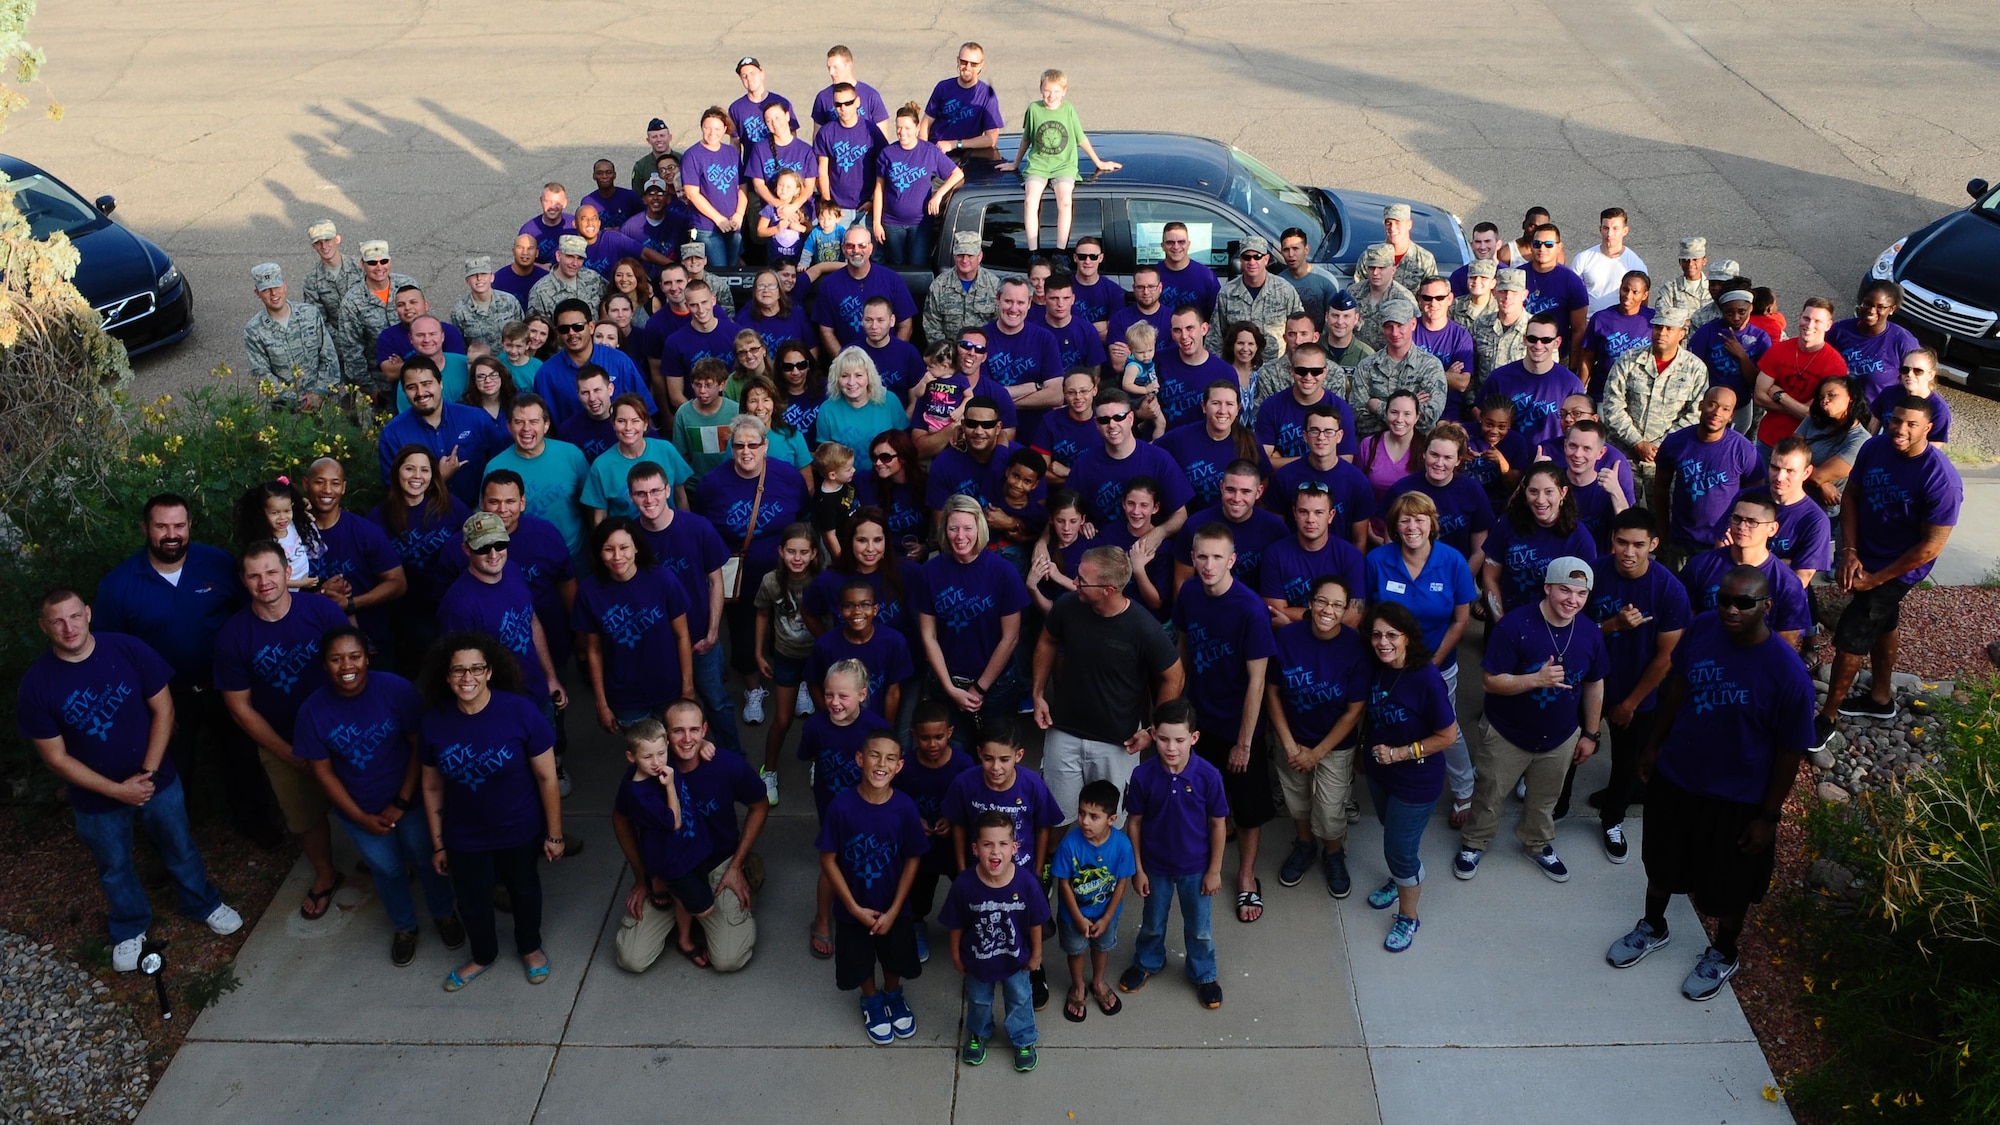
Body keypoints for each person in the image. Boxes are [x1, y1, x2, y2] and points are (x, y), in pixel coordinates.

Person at [1605, 566, 1816, 1001]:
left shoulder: (1787, 673)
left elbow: (1789, 752)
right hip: (1679, 779)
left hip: (1736, 799)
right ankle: (1653, 926)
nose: (1731, 610)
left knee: (1730, 885)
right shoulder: (1703, 627)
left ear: (1766, 606)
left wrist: (1768, 817)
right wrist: (1654, 745)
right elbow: (1678, 686)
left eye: (1744, 603)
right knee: (1662, 863)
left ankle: (1723, 952)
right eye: (1725, 599)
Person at [17, 591, 244, 971]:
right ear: (44, 626)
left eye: (74, 616)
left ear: (88, 614)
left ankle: (203, 903)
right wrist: (117, 790)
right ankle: (128, 926)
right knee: (114, 865)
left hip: (156, 779)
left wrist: (148, 773)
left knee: (179, 843)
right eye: (57, 621)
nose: (68, 627)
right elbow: (55, 758)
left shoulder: (127, 649)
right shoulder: (37, 685)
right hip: (96, 799)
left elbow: (164, 708)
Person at [93, 495, 273, 845]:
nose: (171, 534)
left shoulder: (219, 563)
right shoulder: (119, 585)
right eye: (161, 526)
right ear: (145, 528)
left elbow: (250, 615)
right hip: (165, 698)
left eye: (179, 525)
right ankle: (170, 847)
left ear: (190, 526)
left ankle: (254, 823)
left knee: (242, 759)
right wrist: (145, 705)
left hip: (226, 685)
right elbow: (112, 658)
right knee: (171, 772)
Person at [294, 628, 461, 965]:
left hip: (410, 801)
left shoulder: (396, 689)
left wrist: (400, 801)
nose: (346, 666)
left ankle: (444, 914)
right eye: (336, 659)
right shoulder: (312, 711)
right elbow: (322, 772)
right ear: (324, 665)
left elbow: (419, 747)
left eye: (354, 656)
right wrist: (358, 817)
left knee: (427, 859)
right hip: (360, 809)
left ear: (367, 657)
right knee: (387, 870)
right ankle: (405, 926)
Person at [213, 541, 352, 919]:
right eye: (254, 575)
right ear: (243, 581)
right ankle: (325, 875)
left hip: (342, 728)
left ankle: (381, 858)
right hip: (282, 739)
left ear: (288, 573)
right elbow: (239, 708)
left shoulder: (321, 610)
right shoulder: (233, 636)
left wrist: (352, 724)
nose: (264, 582)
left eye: (271, 572)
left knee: (365, 794)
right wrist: (288, 751)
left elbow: (354, 667)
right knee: (303, 814)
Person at [417, 633, 564, 992]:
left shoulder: (521, 712)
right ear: (447, 676)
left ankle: (529, 947)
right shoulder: (434, 722)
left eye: (475, 669)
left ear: (489, 672)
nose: (467, 678)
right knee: (471, 898)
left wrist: (555, 833)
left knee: (524, 890)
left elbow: (547, 778)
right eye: (458, 671)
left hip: (519, 827)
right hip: (464, 833)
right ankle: (482, 954)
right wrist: (438, 844)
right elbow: (432, 786)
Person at [1814, 396, 1961, 740]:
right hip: (1866, 551)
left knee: (1853, 631)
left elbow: (1930, 546)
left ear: (1928, 429)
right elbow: (1850, 496)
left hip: (1902, 564)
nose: (1901, 429)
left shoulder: (1941, 479)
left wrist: (1876, 579)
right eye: (1896, 420)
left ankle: (1827, 718)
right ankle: (1880, 697)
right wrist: (1849, 551)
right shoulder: (1874, 448)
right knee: (1885, 619)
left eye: (1912, 424)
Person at [1457, 557, 1608, 884]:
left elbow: (1595, 683)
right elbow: (1490, 681)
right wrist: (1535, 680)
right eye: (1564, 590)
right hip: (1507, 733)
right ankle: (1474, 842)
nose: (1572, 600)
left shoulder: (1589, 632)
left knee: (1545, 798)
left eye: (1581, 594)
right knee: (1490, 793)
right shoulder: (1515, 626)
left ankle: (1537, 844)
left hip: (1561, 735)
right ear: (1547, 588)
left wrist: (1591, 733)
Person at [1173, 524, 1278, 922]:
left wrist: (1245, 743)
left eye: (1218, 557)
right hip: (1200, 717)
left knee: (1248, 807)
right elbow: (1183, 645)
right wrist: (1180, 708)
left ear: (1232, 560)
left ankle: (1247, 874)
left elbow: (1257, 682)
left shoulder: (1249, 608)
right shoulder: (1189, 593)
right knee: (1204, 797)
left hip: (1238, 724)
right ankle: (1215, 845)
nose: (1209, 564)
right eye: (1202, 556)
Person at [1365, 492, 1478, 825]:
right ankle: (1390, 778)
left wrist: (1430, 662)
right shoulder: (1377, 561)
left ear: (1432, 523)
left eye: (1419, 519)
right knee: (1390, 718)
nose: (1412, 526)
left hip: (1437, 665)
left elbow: (1461, 619)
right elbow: (1369, 613)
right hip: (1387, 666)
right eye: (1404, 520)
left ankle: (1463, 788)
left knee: (1446, 728)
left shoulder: (1453, 561)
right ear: (1394, 527)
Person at [1584, 508, 1691, 859]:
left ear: (1654, 545)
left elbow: (1667, 656)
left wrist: (1630, 703)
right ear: (1611, 540)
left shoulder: (1669, 590)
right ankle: (1555, 804)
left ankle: (1612, 820)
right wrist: (1613, 625)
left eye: (1638, 544)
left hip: (1637, 690)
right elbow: (1572, 633)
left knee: (1627, 763)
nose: (1629, 552)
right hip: (1588, 683)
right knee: (1571, 749)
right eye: (1622, 542)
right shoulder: (1592, 574)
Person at [696, 415, 813, 727]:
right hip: (741, 578)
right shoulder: (712, 485)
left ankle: (799, 682)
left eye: (753, 444)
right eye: (739, 445)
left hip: (788, 575)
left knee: (795, 629)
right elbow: (705, 531)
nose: (746, 451)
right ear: (730, 448)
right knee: (744, 634)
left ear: (766, 446)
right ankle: (753, 689)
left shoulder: (788, 476)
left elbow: (802, 515)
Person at [1357, 602, 1460, 952]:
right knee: (1394, 836)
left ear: (1407, 638)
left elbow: (1448, 736)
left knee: (1400, 850)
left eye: (1391, 635)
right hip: (1379, 772)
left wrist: (1399, 753)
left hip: (1415, 781)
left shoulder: (1425, 679)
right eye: (1376, 635)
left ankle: (1408, 917)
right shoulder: (1378, 667)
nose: (1382, 642)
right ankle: (1399, 878)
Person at [816, 732, 928, 1045]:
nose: (881, 763)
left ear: (899, 766)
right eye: (875, 755)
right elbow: (828, 858)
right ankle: (871, 1000)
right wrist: (852, 907)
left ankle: (893, 994)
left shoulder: (904, 808)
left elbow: (913, 859)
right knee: (859, 958)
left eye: (890, 758)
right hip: (854, 908)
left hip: (894, 907)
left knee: (895, 956)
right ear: (860, 759)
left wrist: (894, 910)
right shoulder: (841, 807)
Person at [1117, 699, 1228, 1010]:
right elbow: (1135, 823)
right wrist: (1137, 869)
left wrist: (1215, 870)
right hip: (1155, 867)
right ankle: (1148, 961)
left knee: (1200, 927)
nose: (1171, 747)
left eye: (1180, 740)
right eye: (1164, 738)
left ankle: (1204, 973)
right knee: (1152, 922)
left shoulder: (1209, 776)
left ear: (1193, 737)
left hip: (1196, 867)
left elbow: (1218, 824)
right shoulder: (1143, 776)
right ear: (1152, 734)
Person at [1266, 574, 1369, 897]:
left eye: (1338, 605)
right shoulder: (1288, 638)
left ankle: (1334, 853)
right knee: (1297, 800)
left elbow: (1354, 710)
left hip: (1334, 746)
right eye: (1322, 601)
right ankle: (1305, 846)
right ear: (1310, 603)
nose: (1328, 610)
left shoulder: (1356, 647)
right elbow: (1272, 692)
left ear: (1346, 611)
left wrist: (1317, 752)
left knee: (1329, 808)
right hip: (1292, 739)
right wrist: (1287, 744)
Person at [915, 496, 1030, 749]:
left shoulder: (1003, 571)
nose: (960, 536)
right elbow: (928, 636)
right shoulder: (930, 572)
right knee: (956, 761)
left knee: (996, 760)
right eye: (953, 528)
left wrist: (979, 688)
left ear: (980, 528)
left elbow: (1010, 638)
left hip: (996, 687)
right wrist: (949, 688)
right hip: (946, 685)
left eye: (968, 528)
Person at [942, 811, 1051, 1071]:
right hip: (978, 961)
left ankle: (1024, 1038)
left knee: (1020, 998)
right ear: (975, 848)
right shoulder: (964, 885)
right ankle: (979, 1032)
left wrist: (1036, 954)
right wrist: (956, 954)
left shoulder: (1026, 883)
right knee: (979, 1000)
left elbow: (1036, 921)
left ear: (1014, 848)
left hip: (1016, 959)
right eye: (987, 844)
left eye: (1003, 844)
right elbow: (955, 922)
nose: (995, 852)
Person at [607, 717, 716, 970]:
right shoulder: (639, 792)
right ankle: (664, 887)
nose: (656, 762)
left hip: (691, 851)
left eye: (661, 753)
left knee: (683, 900)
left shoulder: (662, 759)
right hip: (672, 862)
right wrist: (669, 786)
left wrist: (703, 744)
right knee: (705, 910)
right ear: (631, 757)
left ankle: (685, 940)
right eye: (647, 757)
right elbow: (673, 822)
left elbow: (684, 741)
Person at [574, 518, 694, 732]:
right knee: (646, 758)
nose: (617, 556)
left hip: (668, 688)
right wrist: (601, 703)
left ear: (636, 547)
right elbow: (594, 650)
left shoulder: (663, 579)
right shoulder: (588, 591)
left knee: (676, 753)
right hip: (625, 695)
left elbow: (682, 636)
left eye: (624, 547)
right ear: (599, 553)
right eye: (608, 549)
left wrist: (687, 687)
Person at [1602, 307, 1708, 506]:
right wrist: (1637, 443)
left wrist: (1661, 446)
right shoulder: (1629, 359)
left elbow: (1695, 414)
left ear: (1681, 333)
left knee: (1663, 515)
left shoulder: (1696, 369)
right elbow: (1611, 404)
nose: (1662, 333)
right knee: (1620, 511)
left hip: (1667, 458)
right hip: (1626, 455)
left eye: (1669, 328)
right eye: (1658, 327)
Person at [1049, 779, 1135, 1024]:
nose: (1085, 821)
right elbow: (1063, 883)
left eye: (1094, 816)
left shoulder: (1122, 845)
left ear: (1112, 819)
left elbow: (1121, 882)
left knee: (1102, 947)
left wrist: (1107, 918)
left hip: (1106, 914)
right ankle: (1077, 987)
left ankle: (1098, 982)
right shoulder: (1069, 845)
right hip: (1073, 915)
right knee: (1075, 950)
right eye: (1082, 813)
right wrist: (1077, 917)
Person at [1653, 387, 1760, 566]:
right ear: (1701, 405)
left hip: (1721, 544)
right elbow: (1660, 487)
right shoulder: (1676, 442)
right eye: (1712, 404)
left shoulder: (1743, 449)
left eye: (1725, 409)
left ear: (1732, 415)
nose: (1717, 412)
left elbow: (1754, 498)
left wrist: (1734, 534)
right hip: (1680, 540)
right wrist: (1664, 532)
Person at [1481, 462, 1598, 616]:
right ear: (1525, 492)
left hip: (1554, 625)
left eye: (1549, 492)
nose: (1540, 500)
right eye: (1533, 491)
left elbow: (1586, 590)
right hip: (1507, 618)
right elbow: (1490, 576)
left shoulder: (1579, 536)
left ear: (1563, 492)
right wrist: (1501, 622)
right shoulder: (1506, 524)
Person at [487, 394, 591, 559]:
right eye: (519, 422)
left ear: (546, 425)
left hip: (576, 555)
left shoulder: (571, 455)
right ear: (509, 426)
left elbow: (591, 504)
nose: (526, 428)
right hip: (524, 558)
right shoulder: (495, 467)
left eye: (534, 421)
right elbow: (490, 517)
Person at [1383, 422, 1494, 573]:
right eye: (1434, 455)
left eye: (1448, 457)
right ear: (1424, 453)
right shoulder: (1401, 490)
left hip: (1456, 575)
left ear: (1458, 460)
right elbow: (1390, 544)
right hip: (1407, 575)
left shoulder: (1472, 490)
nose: (1439, 463)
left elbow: (1479, 550)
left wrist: (1461, 584)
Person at [1260, 483, 1367, 628]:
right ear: (1295, 514)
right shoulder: (1274, 554)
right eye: (1304, 512)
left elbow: (1353, 617)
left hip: (1336, 642)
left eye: (1318, 513)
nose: (1310, 519)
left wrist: (1294, 620)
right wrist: (1327, 617)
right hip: (1290, 641)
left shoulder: (1350, 555)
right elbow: (1275, 611)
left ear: (1331, 516)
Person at [1267, 405, 1373, 549]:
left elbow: (1359, 541)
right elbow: (1275, 533)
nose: (1321, 437)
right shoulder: (1284, 477)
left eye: (1329, 431)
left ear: (1340, 436)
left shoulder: (1357, 482)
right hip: (1293, 562)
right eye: (1314, 431)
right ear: (1305, 436)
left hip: (1339, 564)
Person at [871, 103, 963, 266]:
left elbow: (957, 174)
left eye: (907, 128)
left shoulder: (929, 151)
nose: (902, 132)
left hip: (920, 223)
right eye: (898, 128)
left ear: (917, 128)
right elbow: (879, 189)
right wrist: (877, 223)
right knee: (896, 264)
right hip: (891, 222)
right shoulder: (887, 153)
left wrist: (939, 194)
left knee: (918, 264)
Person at [1753, 298, 1848, 451]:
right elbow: (1759, 397)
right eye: (1806, 318)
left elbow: (1815, 415)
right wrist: (1799, 409)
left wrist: (1781, 397)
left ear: (1828, 325)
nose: (1809, 325)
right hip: (1768, 439)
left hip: (1805, 445)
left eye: (1817, 321)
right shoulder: (1778, 350)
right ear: (1800, 318)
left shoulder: (1835, 365)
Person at [1157, 381, 1267, 511]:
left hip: (1237, 517)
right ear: (1204, 406)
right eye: (1215, 403)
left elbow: (1263, 480)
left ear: (1238, 409)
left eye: (1229, 404)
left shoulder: (1250, 441)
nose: (1222, 411)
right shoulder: (1180, 438)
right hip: (1193, 522)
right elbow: (1150, 453)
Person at [1482, 313, 1584, 448]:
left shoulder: (1571, 384)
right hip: (1505, 459)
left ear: (1557, 342)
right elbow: (1480, 416)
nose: (1538, 345)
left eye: (1546, 340)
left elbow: (1580, 429)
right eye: (1532, 339)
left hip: (1551, 461)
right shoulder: (1499, 378)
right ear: (1524, 339)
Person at [242, 263, 340, 404]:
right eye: (266, 290)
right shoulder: (254, 331)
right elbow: (261, 375)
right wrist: (297, 401)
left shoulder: (310, 314)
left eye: (276, 287)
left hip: (324, 403)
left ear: (284, 286)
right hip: (287, 412)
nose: (273, 294)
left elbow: (329, 357)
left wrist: (318, 392)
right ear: (257, 293)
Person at [1350, 300, 1447, 435]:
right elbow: (1360, 419)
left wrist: (1378, 407)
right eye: (1389, 326)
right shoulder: (1367, 366)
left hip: (1417, 448)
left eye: (1400, 325)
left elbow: (1428, 417)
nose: (1395, 333)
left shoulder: (1430, 366)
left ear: (1413, 324)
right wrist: (1411, 407)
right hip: (1375, 447)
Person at [812, 227, 916, 351]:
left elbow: (906, 325)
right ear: (843, 249)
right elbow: (826, 331)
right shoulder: (829, 285)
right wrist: (843, 362)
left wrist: (892, 358)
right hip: (849, 364)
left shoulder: (892, 279)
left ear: (871, 248)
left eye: (862, 245)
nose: (856, 250)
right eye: (850, 246)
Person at [334, 240, 418, 390]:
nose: (379, 267)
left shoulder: (408, 285)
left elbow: (423, 324)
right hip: (380, 381)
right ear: (362, 264)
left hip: (417, 371)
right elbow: (351, 349)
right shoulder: (352, 302)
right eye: (372, 262)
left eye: (383, 261)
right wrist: (369, 387)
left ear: (389, 262)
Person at [1256, 343, 1358, 468]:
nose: (1308, 377)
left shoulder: (1340, 408)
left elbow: (1345, 462)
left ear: (1325, 372)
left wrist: (1282, 461)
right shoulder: (1271, 406)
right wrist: (1321, 460)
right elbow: (1263, 462)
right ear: (1292, 371)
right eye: (1301, 371)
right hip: (1285, 482)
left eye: (1316, 371)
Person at [1828, 281, 1921, 400]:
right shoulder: (1839, 331)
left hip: (1876, 414)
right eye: (1867, 303)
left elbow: (1918, 383)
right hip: (1837, 409)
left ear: (1892, 309)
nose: (1872, 311)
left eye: (1880, 307)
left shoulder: (1903, 341)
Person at [679, 107, 748, 267]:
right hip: (707, 226)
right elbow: (692, 194)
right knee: (719, 269)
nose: (712, 133)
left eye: (717, 128)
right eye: (707, 128)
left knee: (732, 267)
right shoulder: (693, 155)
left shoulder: (731, 153)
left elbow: (743, 186)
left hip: (733, 223)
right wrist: (719, 219)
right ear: (701, 127)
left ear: (724, 129)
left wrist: (739, 214)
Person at [1519, 223, 1591, 358]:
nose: (1542, 248)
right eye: (1537, 244)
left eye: (1549, 244)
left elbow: (1579, 329)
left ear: (1559, 247)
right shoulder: (1518, 275)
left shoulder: (1572, 281)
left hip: (1556, 356)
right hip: (1519, 353)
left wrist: (1573, 366)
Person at [1579, 271, 1656, 398]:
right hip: (1604, 393)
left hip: (1640, 396)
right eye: (1625, 289)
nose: (1628, 295)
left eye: (1635, 292)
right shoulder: (1600, 319)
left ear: (1644, 295)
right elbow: (1587, 359)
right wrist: (1580, 391)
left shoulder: (1653, 319)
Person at [814, 81, 884, 216]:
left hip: (866, 206)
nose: (843, 108)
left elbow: (882, 168)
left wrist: (872, 200)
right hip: (837, 207)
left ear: (857, 102)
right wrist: (828, 202)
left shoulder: (872, 131)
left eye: (848, 103)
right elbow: (822, 171)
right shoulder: (826, 133)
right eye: (838, 105)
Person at [1412, 275, 1475, 420]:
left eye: (1439, 298)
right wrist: (1445, 374)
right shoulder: (1409, 330)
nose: (1433, 303)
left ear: (1450, 299)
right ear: (1419, 300)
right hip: (1413, 413)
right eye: (1427, 298)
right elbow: (1399, 375)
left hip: (1448, 415)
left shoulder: (1460, 336)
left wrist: (1419, 373)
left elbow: (1462, 383)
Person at [923, 42, 1004, 152]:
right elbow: (925, 124)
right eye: (964, 62)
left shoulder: (986, 95)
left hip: (966, 156)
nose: (967, 67)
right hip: (936, 151)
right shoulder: (943, 87)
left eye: (973, 64)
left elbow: (991, 139)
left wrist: (955, 144)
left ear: (981, 65)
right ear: (958, 60)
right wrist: (923, 152)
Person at [923, 230, 1002, 344]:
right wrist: (946, 355)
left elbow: (999, 324)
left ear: (979, 256)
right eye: (960, 255)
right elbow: (931, 326)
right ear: (954, 256)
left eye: (970, 255)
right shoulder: (939, 285)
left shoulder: (993, 285)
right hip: (950, 354)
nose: (965, 260)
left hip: (982, 352)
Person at [670, 359, 742, 480]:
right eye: (698, 385)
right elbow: (681, 455)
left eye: (708, 385)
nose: (702, 391)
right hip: (695, 484)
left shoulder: (736, 410)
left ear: (721, 385)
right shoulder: (683, 413)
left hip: (731, 480)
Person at [1570, 208, 1648, 314]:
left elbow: (1642, 302)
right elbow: (1571, 295)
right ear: (1600, 229)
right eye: (1606, 228)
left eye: (1615, 228)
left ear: (1625, 231)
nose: (1610, 233)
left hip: (1620, 324)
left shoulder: (1636, 265)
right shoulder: (1582, 259)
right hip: (1588, 323)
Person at [1869, 348, 1952, 444]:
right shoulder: (1889, 394)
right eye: (1905, 370)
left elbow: (1932, 450)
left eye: (1918, 371)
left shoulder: (1939, 411)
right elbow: (1871, 431)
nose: (1910, 374)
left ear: (1931, 375)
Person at [1471, 268, 1530, 394]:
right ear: (1495, 293)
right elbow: (1470, 368)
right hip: (1484, 404)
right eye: (1503, 291)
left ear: (1524, 295)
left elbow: (1546, 373)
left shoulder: (1535, 329)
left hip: (1520, 405)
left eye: (1514, 292)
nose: (1507, 297)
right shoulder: (1480, 325)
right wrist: (1473, 404)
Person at [527, 234, 608, 320]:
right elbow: (535, 327)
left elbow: (612, 297)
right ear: (558, 256)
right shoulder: (540, 291)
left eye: (580, 258)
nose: (575, 263)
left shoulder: (593, 278)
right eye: (570, 256)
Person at [301, 218, 361, 333]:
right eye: (318, 242)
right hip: (338, 342)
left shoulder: (360, 267)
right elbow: (318, 319)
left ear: (337, 239)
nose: (324, 246)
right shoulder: (312, 280)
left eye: (327, 240)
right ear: (313, 245)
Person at [1277, 227, 1343, 330]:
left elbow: (1334, 318)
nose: (1291, 254)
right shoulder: (1278, 283)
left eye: (1295, 249)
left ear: (1306, 249)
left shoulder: (1326, 281)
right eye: (1286, 250)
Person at [1352, 244, 1416, 349]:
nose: (1376, 273)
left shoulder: (1404, 298)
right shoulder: (1353, 292)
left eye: (1381, 268)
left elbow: (1413, 335)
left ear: (1393, 269)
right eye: (1371, 268)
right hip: (1357, 356)